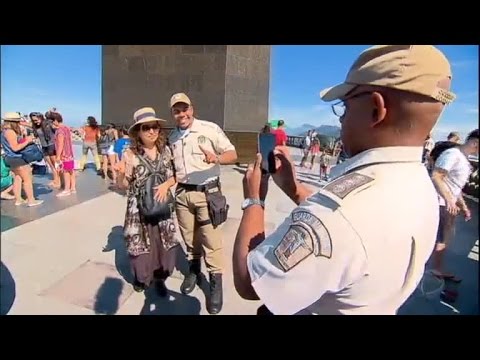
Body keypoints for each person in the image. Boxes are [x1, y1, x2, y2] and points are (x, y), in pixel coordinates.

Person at [233, 45, 456, 315]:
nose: (342, 120)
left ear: (377, 109)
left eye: (345, 107)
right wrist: (295, 190)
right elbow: (357, 228)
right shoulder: (421, 185)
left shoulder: (338, 216)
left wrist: (253, 197)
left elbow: (250, 281)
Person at [168, 92, 238, 314]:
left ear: (192, 109)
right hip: (182, 195)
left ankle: (215, 283)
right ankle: (193, 270)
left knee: (211, 239)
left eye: (185, 109)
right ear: (173, 114)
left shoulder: (209, 129)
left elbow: (232, 154)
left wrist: (215, 158)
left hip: (207, 193)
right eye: (177, 111)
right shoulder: (172, 137)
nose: (182, 114)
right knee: (189, 237)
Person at [115, 107, 180, 295]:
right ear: (138, 132)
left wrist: (165, 185)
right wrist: (119, 174)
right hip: (138, 209)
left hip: (162, 205)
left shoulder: (166, 151)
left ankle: (160, 278)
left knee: (163, 242)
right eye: (146, 128)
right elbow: (124, 185)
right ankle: (142, 277)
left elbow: (176, 175)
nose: (151, 131)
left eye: (154, 127)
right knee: (140, 242)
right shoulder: (130, 154)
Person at [430, 129, 478, 280]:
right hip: (441, 203)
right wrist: (449, 200)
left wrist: (463, 206)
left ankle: (434, 267)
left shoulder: (463, 157)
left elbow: (455, 186)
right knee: (443, 239)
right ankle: (436, 270)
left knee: (445, 237)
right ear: (475, 142)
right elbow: (436, 176)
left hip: (447, 203)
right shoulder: (453, 155)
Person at [1, 112, 43, 207]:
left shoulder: (3, 131)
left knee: (17, 178)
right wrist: (27, 141)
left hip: (9, 158)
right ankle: (31, 200)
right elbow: (15, 148)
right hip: (17, 158)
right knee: (27, 179)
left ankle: (18, 200)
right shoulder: (10, 131)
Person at [30, 112, 60, 188]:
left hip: (51, 145)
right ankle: (55, 179)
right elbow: (25, 124)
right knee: (51, 166)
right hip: (44, 147)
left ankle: (59, 181)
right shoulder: (36, 126)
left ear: (40, 117)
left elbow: (57, 126)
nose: (35, 122)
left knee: (55, 165)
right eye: (33, 120)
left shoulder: (48, 123)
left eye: (36, 120)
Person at [50, 112, 76, 197]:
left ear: (56, 121)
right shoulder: (66, 128)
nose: (52, 123)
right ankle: (73, 188)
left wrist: (58, 156)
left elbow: (60, 144)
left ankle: (67, 189)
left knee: (65, 171)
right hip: (70, 153)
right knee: (71, 171)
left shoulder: (60, 131)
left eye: (52, 121)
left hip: (64, 154)